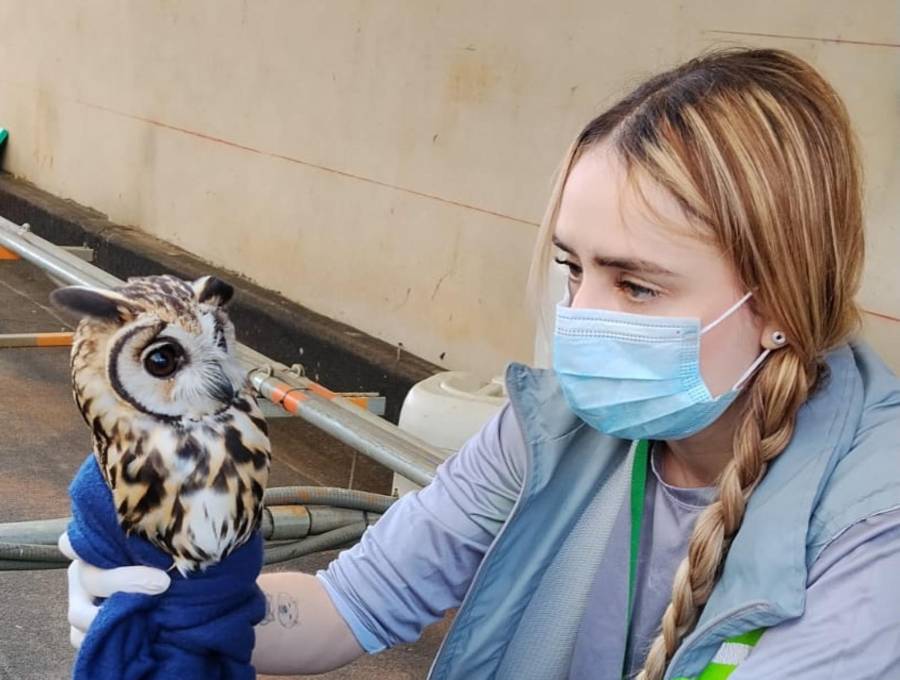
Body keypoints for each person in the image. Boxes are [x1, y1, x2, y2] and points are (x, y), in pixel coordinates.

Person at [60, 48, 900, 679]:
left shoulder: (875, 522)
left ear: (781, 305)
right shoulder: (554, 429)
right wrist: (186, 613)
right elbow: (354, 603)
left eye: (638, 286)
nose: (582, 319)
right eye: (575, 268)